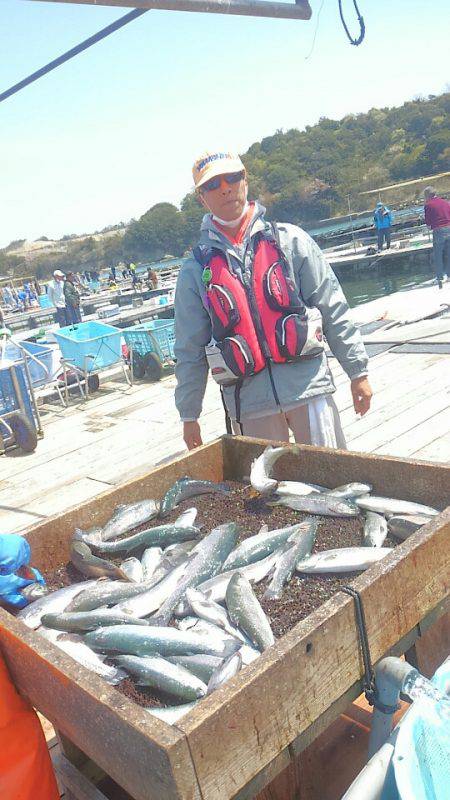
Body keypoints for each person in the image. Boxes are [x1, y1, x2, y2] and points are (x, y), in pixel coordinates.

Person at [175, 151, 372, 450]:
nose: (225, 187)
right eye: (213, 184)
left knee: (334, 480)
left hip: (309, 389)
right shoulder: (194, 271)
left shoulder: (291, 240)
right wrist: (189, 414)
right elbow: (189, 348)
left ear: (246, 180)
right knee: (268, 491)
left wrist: (358, 371)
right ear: (202, 197)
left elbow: (332, 306)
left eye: (232, 177)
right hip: (249, 405)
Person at [424, 186, 450, 288]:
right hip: (449, 228)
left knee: (438, 255)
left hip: (439, 230)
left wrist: (430, 226)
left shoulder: (428, 205)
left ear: (427, 195)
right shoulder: (445, 202)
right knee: (449, 253)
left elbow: (428, 223)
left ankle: (439, 277)